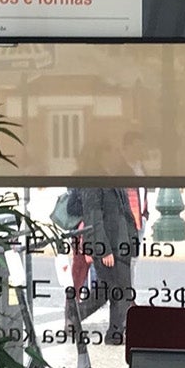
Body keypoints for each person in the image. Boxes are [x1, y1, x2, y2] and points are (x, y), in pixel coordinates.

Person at [68, 138, 140, 346]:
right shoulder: (93, 181)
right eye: (110, 151)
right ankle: (111, 332)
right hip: (109, 246)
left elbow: (124, 211)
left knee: (111, 290)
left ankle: (83, 319)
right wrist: (103, 249)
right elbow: (94, 218)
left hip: (121, 244)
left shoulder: (111, 176)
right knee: (117, 291)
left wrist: (132, 240)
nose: (115, 155)